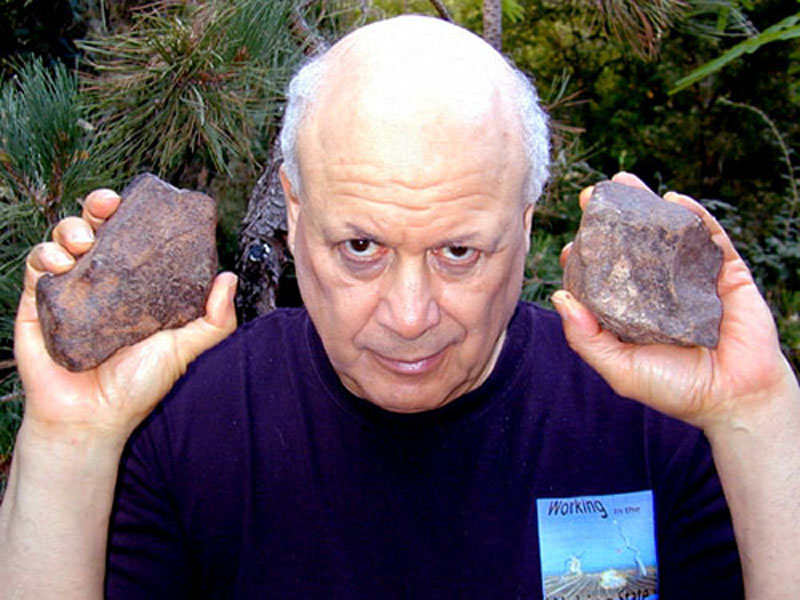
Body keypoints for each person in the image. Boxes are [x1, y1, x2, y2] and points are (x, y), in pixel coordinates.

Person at [1, 14, 799, 599]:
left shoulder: (654, 418)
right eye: (360, 248)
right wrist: (70, 437)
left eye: (459, 252)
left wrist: (761, 415)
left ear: (526, 221)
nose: (409, 315)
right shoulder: (185, 424)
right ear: (294, 206)